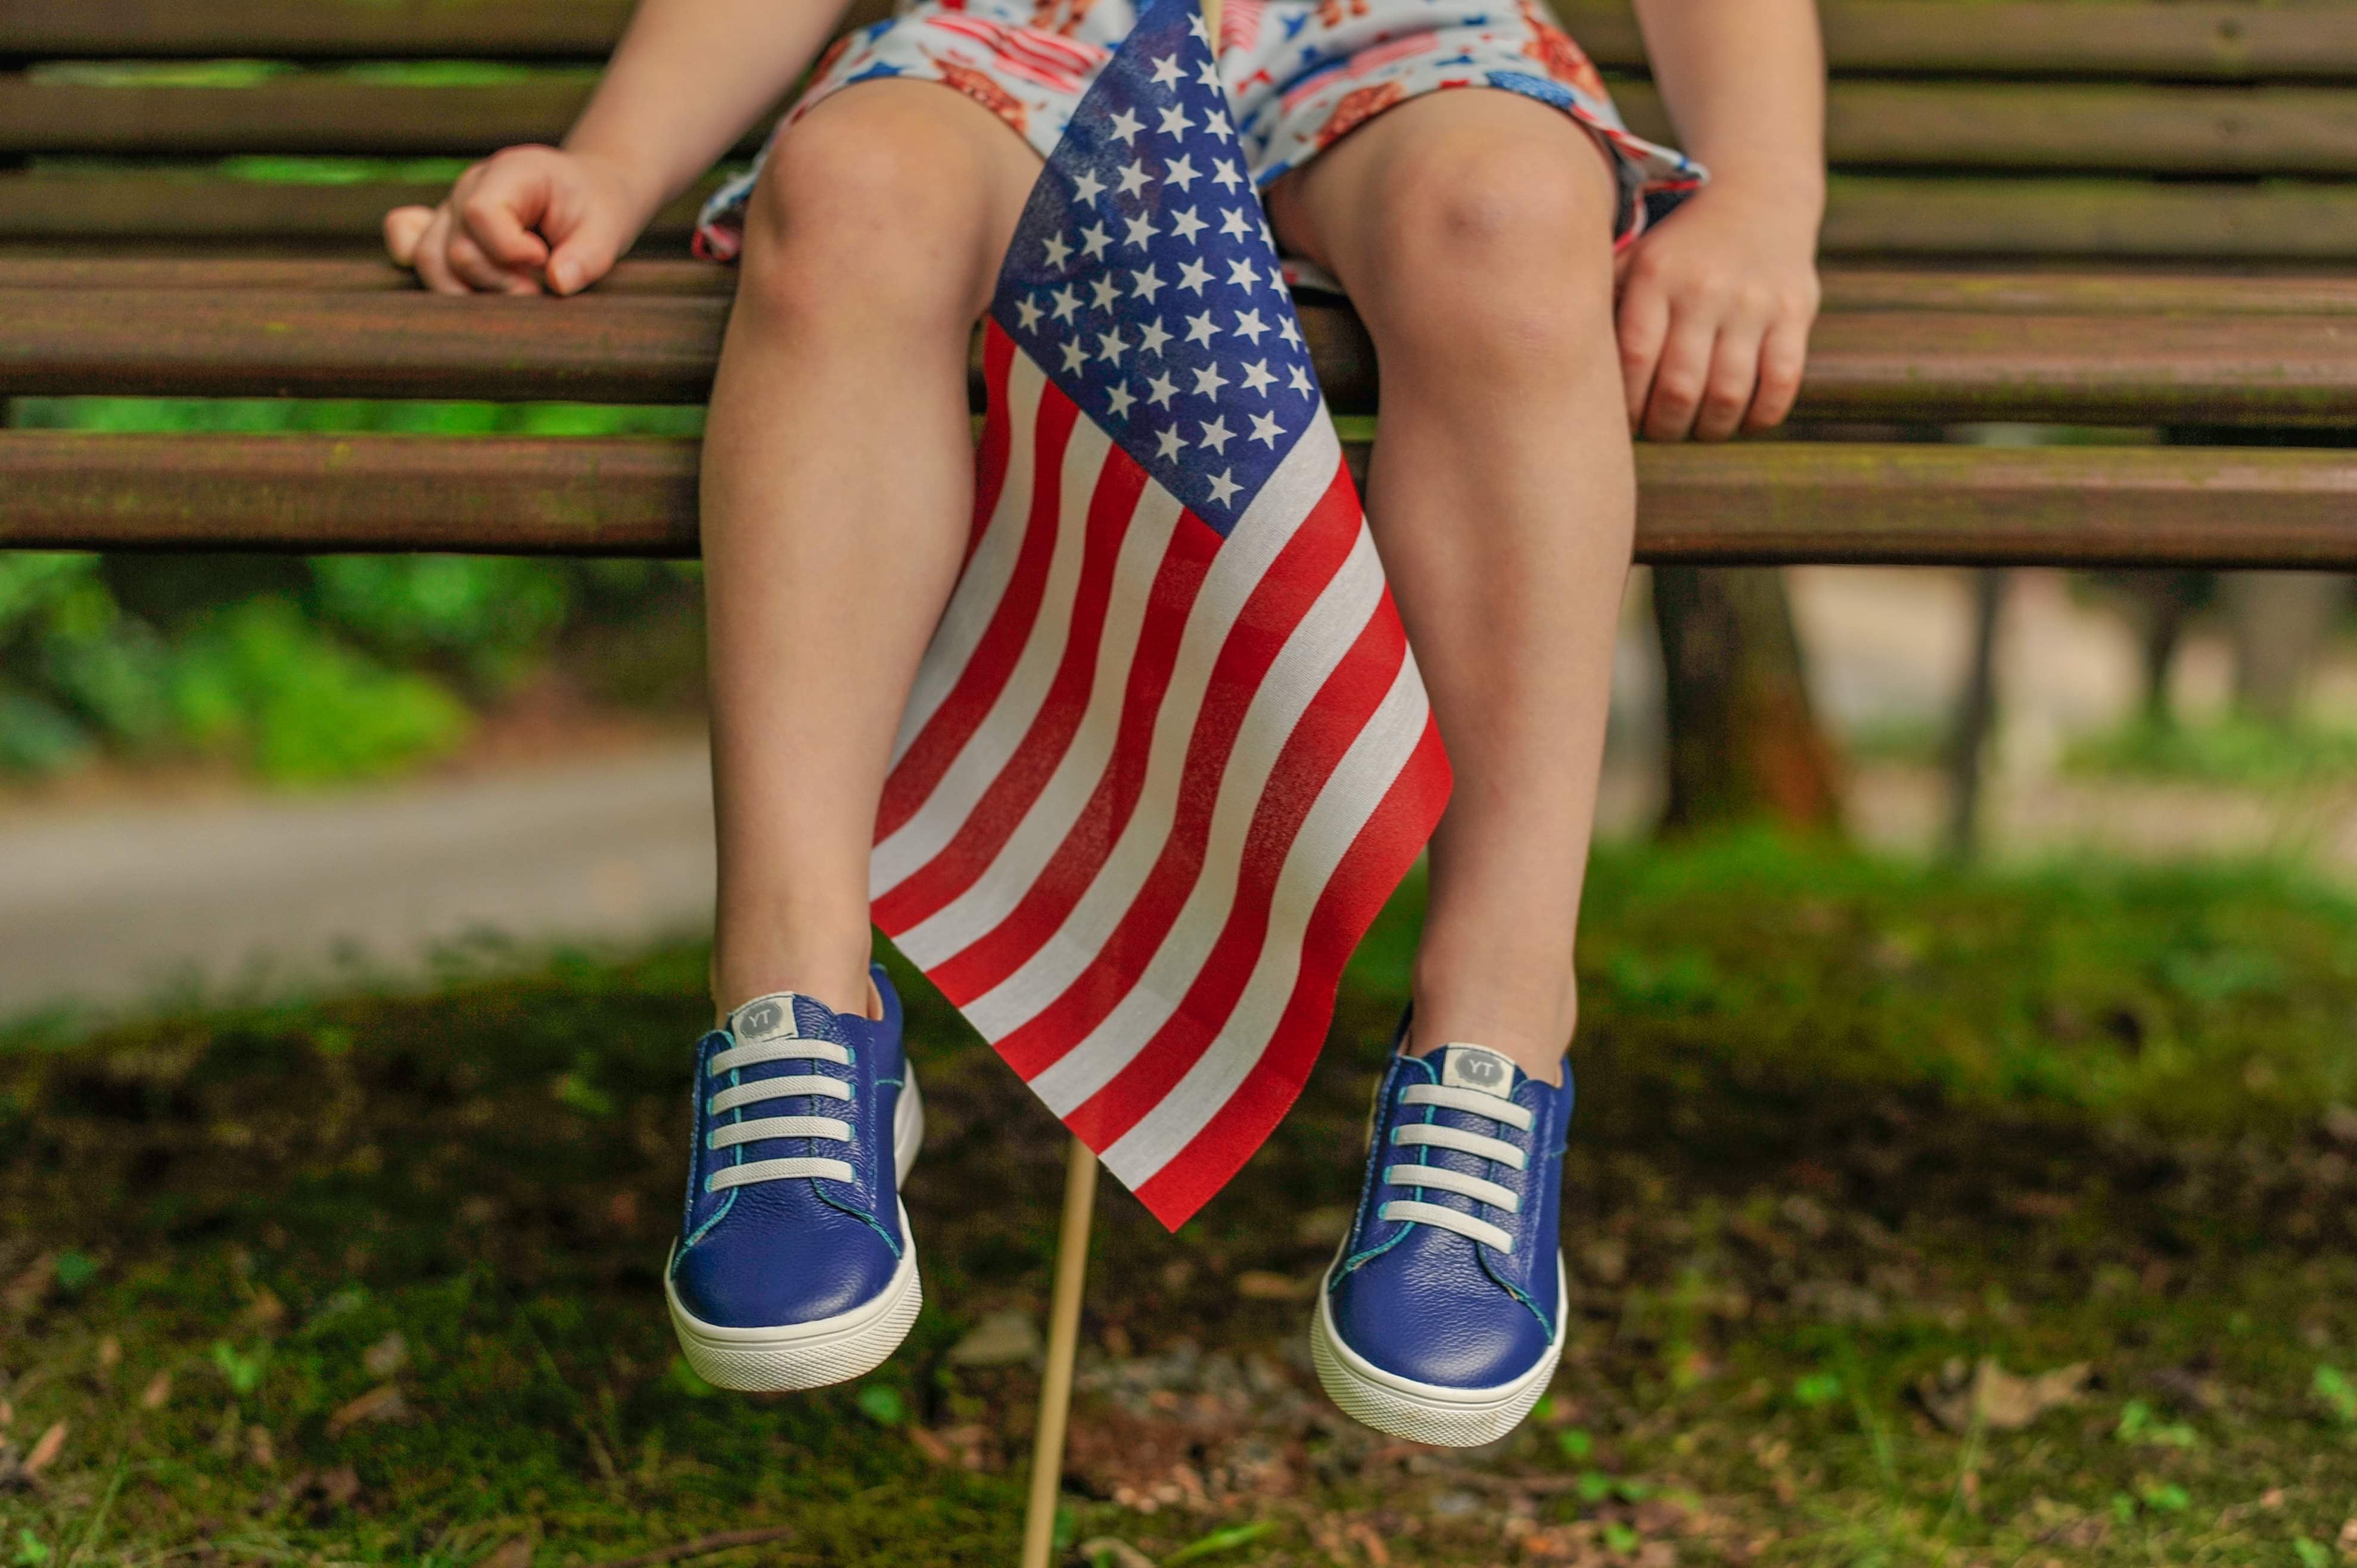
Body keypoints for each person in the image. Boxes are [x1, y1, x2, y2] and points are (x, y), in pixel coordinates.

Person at [385, 0, 1824, 1445]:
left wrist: (1763, 198)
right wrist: (615, 159)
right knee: (851, 198)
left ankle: (1496, 1040)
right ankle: (792, 1005)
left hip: (1405, 34)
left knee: (1506, 220)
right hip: (1012, 29)